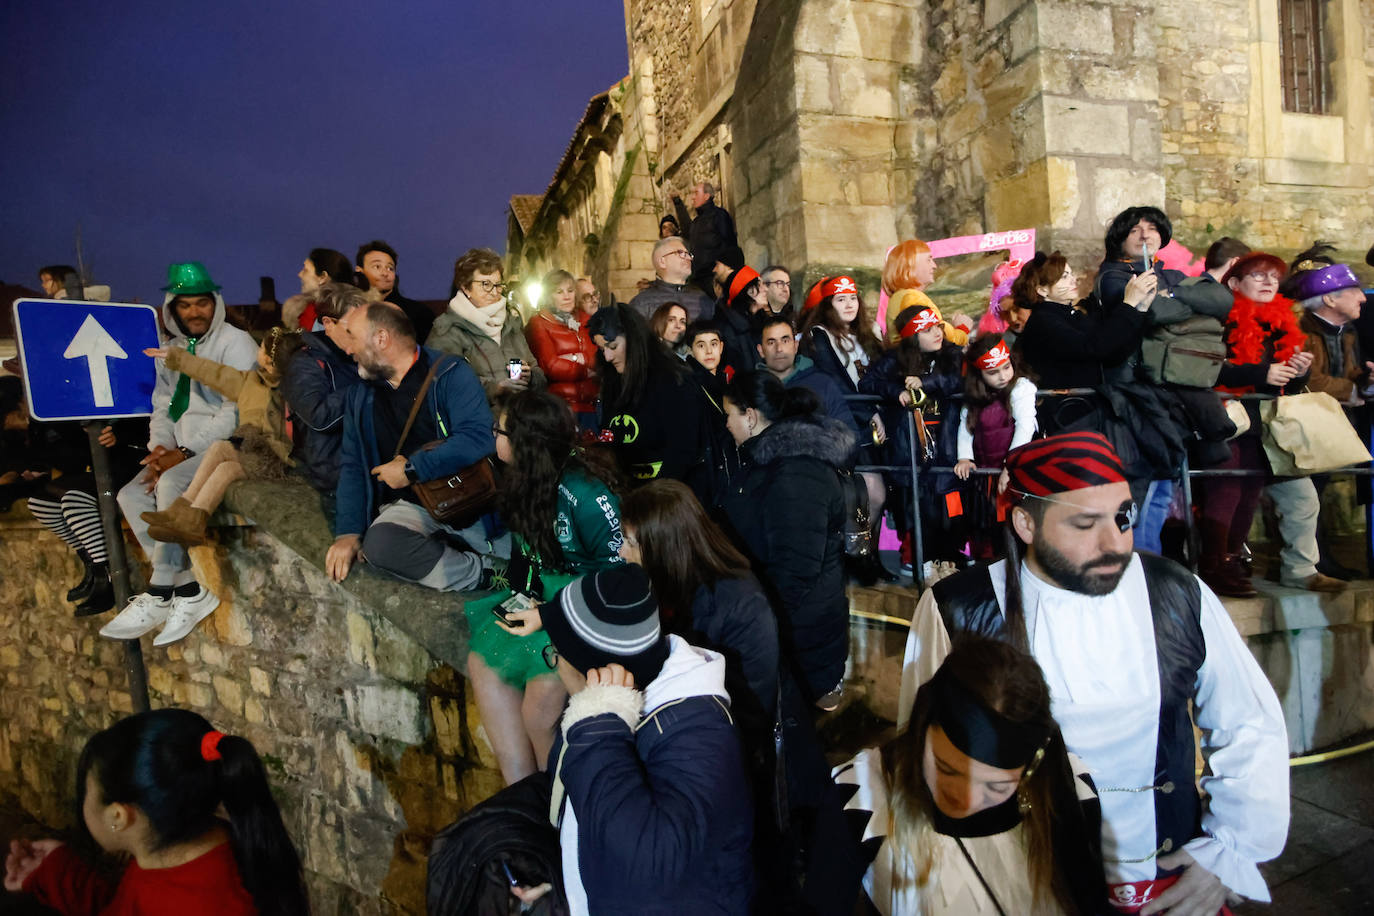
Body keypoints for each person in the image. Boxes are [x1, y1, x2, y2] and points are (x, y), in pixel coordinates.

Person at [898, 432, 1290, 914]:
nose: (1115, 543)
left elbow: (1249, 722)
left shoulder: (1175, 592)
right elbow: (924, 757)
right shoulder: (958, 609)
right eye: (1086, 523)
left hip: (1166, 885)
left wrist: (1228, 855)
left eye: (1123, 517)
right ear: (1025, 522)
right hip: (1025, 885)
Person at [813, 637, 1106, 915]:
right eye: (946, 769)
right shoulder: (862, 796)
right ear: (922, 730)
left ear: (1032, 766)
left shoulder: (1072, 793)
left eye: (995, 786)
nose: (965, 798)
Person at [541, 564, 754, 915]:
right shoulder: (597, 713)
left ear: (591, 669)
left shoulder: (699, 730)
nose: (554, 664)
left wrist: (599, 726)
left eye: (554, 655)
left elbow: (647, 865)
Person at [463, 391, 624, 785]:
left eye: (497, 430)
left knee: (538, 710)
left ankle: (557, 805)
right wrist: (525, 597)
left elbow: (620, 583)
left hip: (587, 612)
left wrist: (553, 613)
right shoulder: (523, 478)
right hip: (544, 601)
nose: (493, 438)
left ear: (525, 441)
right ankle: (523, 794)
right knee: (483, 663)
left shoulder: (586, 496)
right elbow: (525, 556)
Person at [4, 708, 308, 915]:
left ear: (118, 817)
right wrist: (58, 873)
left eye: (86, 792)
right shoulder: (181, 851)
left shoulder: (200, 901)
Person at [107, 262, 258, 644]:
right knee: (130, 494)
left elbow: (237, 407)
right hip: (182, 450)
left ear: (215, 303)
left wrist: (186, 452)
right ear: (172, 307)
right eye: (186, 304)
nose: (195, 312)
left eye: (202, 303)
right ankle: (188, 589)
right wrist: (160, 446)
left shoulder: (235, 342)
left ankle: (160, 591)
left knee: (171, 482)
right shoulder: (171, 349)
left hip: (227, 448)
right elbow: (162, 404)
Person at [326, 302, 504, 592]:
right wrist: (347, 532)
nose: (347, 348)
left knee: (521, 556)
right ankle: (482, 572)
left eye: (352, 337)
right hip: (411, 506)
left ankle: (494, 561)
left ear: (381, 339)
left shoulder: (449, 374)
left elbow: (478, 437)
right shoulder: (361, 395)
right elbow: (353, 464)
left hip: (468, 499)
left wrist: (412, 469)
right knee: (381, 545)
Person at [1200, 251, 1337, 595]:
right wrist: (1263, 371)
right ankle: (1217, 564)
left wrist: (1298, 370)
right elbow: (1208, 368)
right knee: (1228, 491)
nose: (1268, 283)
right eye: (1258, 276)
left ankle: (1255, 563)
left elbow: (1282, 385)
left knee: (1258, 494)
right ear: (1233, 283)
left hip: (1267, 424)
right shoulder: (1217, 320)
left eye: (1273, 278)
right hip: (1228, 421)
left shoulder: (1276, 323)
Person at [719, 373, 851, 709]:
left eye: (729, 416)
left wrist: (757, 626)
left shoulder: (796, 471)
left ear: (749, 416)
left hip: (801, 642)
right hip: (791, 632)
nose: (727, 425)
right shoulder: (768, 461)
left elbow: (795, 568)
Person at [137, 327, 304, 574]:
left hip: (276, 460)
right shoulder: (250, 382)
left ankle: (191, 517)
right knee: (221, 456)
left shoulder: (289, 391)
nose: (257, 350)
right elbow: (213, 373)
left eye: (261, 348)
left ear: (269, 360)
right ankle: (184, 514)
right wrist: (177, 357)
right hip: (253, 451)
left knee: (225, 460)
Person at [1286, 243, 1371, 579]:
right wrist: (1352, 390)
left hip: (1330, 422)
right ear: (1330, 299)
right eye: (1353, 291)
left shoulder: (1346, 332)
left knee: (1318, 492)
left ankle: (1321, 560)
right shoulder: (1299, 328)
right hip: (1303, 423)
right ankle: (1310, 563)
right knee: (1306, 495)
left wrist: (1365, 382)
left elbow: (1346, 373)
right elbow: (1310, 377)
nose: (1363, 297)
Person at [861, 303, 967, 570]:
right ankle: (915, 555)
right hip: (907, 443)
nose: (937, 333)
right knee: (912, 500)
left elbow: (958, 380)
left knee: (947, 500)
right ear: (911, 335)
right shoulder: (895, 358)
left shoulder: (952, 354)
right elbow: (868, 383)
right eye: (928, 329)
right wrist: (895, 391)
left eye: (938, 327)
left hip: (946, 441)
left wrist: (926, 383)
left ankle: (950, 553)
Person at [802, 274, 892, 581]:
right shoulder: (820, 336)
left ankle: (871, 558)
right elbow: (836, 382)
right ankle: (856, 556)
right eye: (841, 299)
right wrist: (869, 412)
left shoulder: (866, 334)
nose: (849, 304)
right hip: (850, 424)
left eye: (853, 298)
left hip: (873, 420)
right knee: (871, 495)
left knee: (878, 494)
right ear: (829, 305)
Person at [586, 303, 709, 491]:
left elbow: (683, 450)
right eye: (603, 350)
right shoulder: (613, 378)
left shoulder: (674, 380)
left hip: (668, 494)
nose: (608, 356)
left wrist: (656, 497)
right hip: (629, 490)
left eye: (613, 346)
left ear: (633, 339)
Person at [280, 281, 367, 522]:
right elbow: (319, 418)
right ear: (328, 323)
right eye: (351, 328)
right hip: (332, 478)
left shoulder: (358, 354)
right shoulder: (304, 363)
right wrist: (366, 383)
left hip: (367, 468)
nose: (359, 334)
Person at [1012, 250, 1157, 389]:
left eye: (1071, 274)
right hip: (1068, 408)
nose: (1073, 279)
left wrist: (1141, 309)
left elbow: (1112, 352)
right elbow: (1094, 347)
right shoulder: (1042, 322)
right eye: (1064, 277)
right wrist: (1129, 304)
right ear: (1042, 290)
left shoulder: (1070, 314)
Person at [954, 335, 1037, 559]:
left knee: (1012, 528)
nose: (1002, 376)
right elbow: (966, 426)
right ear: (979, 374)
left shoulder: (1021, 387)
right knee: (983, 528)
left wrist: (1010, 466)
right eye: (993, 372)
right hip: (983, 476)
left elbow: (1025, 428)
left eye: (1006, 367)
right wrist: (965, 457)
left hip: (1012, 474)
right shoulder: (975, 395)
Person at [428, 247, 544, 404]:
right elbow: (445, 383)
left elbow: (539, 373)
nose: (494, 292)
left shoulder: (510, 323)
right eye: (485, 284)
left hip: (519, 421)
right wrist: (496, 389)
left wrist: (531, 377)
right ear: (465, 286)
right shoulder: (448, 329)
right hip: (477, 423)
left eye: (498, 284)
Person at [525, 269, 599, 428]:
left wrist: (577, 358)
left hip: (590, 405)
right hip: (559, 407)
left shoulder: (586, 320)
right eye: (559, 292)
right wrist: (584, 369)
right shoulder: (539, 323)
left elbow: (598, 358)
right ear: (549, 296)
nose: (567, 296)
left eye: (570, 291)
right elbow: (551, 366)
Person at [756, 315, 853, 428]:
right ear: (761, 350)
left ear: (795, 346)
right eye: (771, 342)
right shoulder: (753, 389)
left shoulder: (822, 383)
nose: (779, 349)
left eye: (785, 341)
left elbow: (848, 431)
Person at [880, 240, 972, 343]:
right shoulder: (912, 298)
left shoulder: (902, 296)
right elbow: (940, 338)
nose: (934, 266)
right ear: (910, 266)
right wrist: (962, 329)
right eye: (928, 260)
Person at [354, 239, 435, 343]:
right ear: (359, 271)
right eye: (377, 266)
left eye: (390, 268)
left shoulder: (417, 313)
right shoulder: (350, 310)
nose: (384, 273)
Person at [627, 236, 715, 322]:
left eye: (688, 254)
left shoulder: (703, 299)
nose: (688, 258)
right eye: (680, 253)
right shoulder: (642, 303)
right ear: (662, 262)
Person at [681, 180, 739, 295]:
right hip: (697, 280)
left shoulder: (720, 216)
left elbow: (729, 244)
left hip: (714, 278)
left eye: (696, 193)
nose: (692, 197)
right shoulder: (696, 223)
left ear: (707, 196)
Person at [282, 247, 352, 330]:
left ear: (322, 277)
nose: (300, 274)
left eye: (305, 270)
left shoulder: (317, 313)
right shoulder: (354, 310)